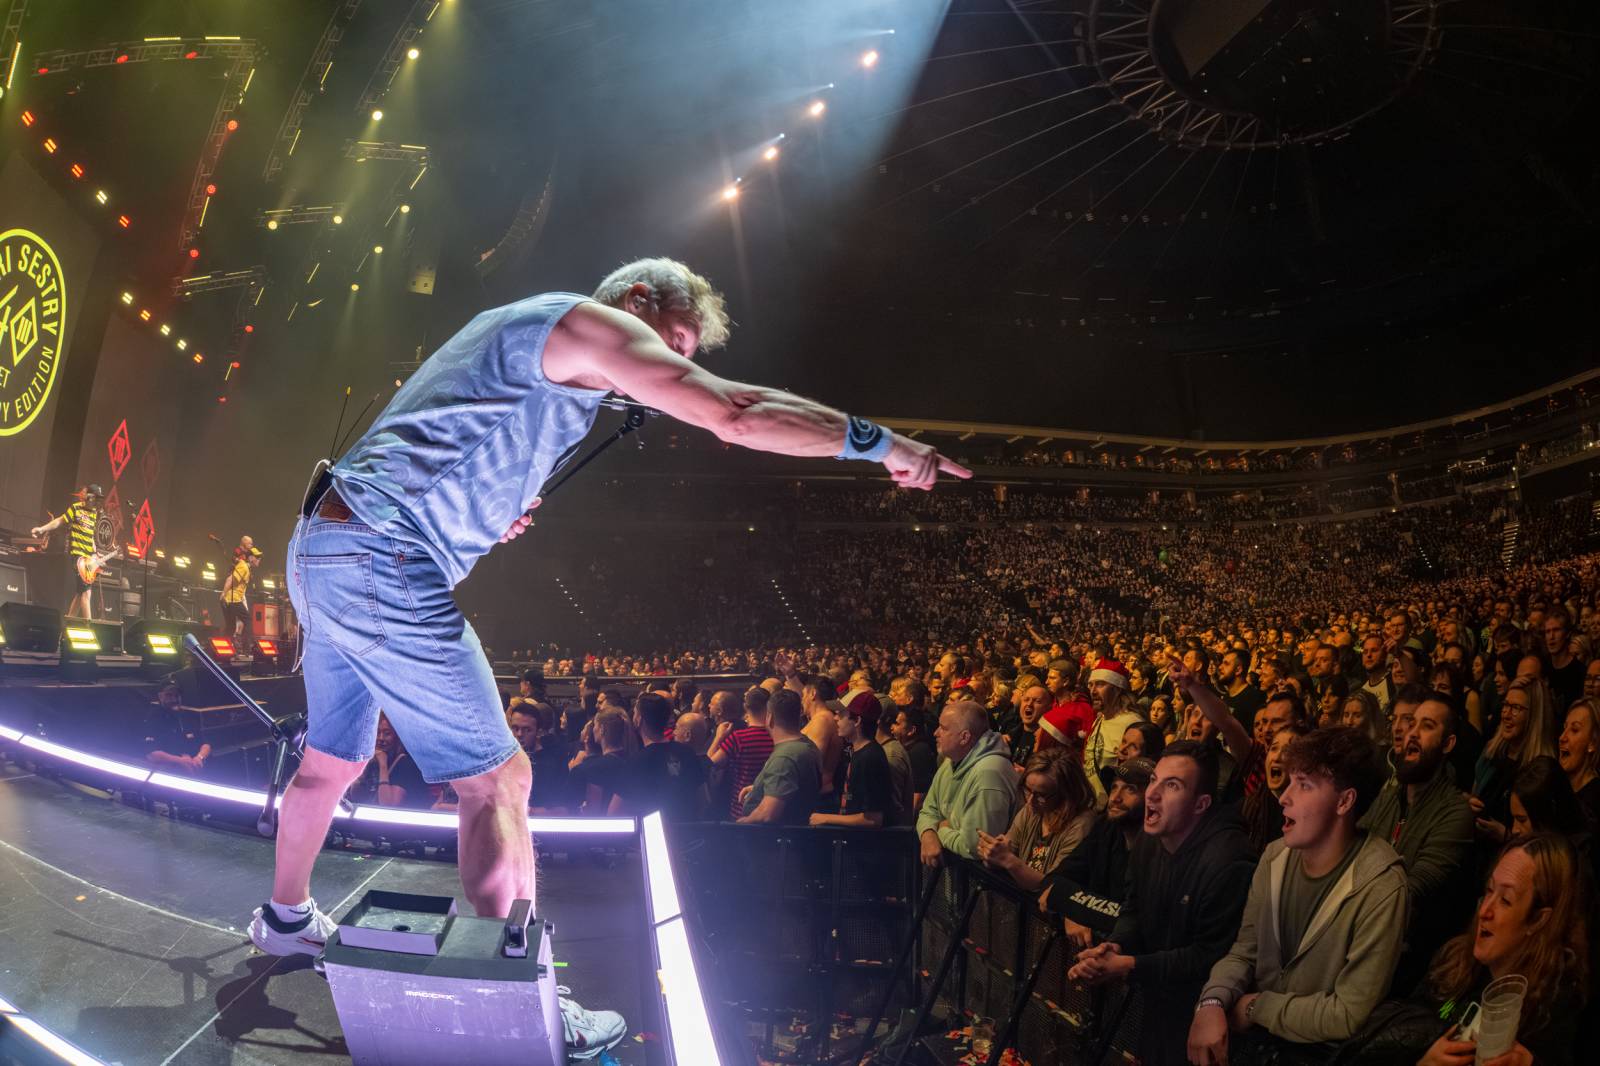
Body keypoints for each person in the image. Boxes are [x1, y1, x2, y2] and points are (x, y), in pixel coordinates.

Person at [257, 259, 968, 963]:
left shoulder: (521, 335)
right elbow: (736, 414)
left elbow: (441, 434)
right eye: (675, 344)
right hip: (383, 554)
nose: (670, 366)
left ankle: (285, 918)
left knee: (329, 762)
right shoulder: (587, 322)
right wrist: (880, 444)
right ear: (635, 300)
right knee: (499, 778)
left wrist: (491, 508)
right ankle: (506, 987)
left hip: (325, 545)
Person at [1190, 728, 1405, 1062]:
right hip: (1259, 1047)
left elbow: (1348, 1013)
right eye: (1290, 782)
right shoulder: (1275, 856)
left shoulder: (1380, 886)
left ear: (1344, 801)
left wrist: (1257, 1007)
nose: (1283, 797)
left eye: (1304, 785)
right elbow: (1244, 952)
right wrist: (1212, 1002)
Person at [1068, 740, 1256, 1066]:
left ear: (1201, 804)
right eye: (1154, 780)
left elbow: (1210, 955)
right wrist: (1115, 945)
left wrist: (1130, 965)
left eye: (1172, 786)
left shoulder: (1228, 862)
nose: (1152, 794)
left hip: (1204, 1017)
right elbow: (1134, 907)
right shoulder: (1149, 841)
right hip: (1157, 999)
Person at [1412, 835, 1588, 1066]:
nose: (1484, 910)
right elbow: (1403, 1030)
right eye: (1489, 890)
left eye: (1505, 900)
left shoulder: (1557, 1003)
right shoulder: (1452, 959)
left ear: (1538, 920)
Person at [1360, 692, 1475, 994]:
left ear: (1447, 744)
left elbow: (1416, 888)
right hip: (1364, 939)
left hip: (1409, 966)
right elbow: (1351, 849)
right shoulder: (1389, 797)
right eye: (1411, 724)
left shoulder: (1455, 811)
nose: (1411, 733)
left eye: (1426, 726)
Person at [1038, 756, 1152, 948]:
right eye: (1114, 787)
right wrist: (1071, 912)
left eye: (1130, 789)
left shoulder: (1160, 847)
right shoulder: (1105, 827)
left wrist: (1071, 904)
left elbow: (1134, 923)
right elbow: (1052, 881)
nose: (1115, 797)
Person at [976, 747, 1096, 891]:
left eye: (1041, 795)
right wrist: (991, 855)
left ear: (1067, 794)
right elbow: (1009, 850)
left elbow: (1052, 888)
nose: (1030, 801)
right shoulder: (1032, 810)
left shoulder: (1082, 824)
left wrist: (1008, 860)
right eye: (1027, 790)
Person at [915, 701, 1019, 865]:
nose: (935, 733)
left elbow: (975, 847)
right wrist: (928, 833)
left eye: (943, 728)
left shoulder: (989, 773)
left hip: (984, 885)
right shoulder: (952, 760)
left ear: (964, 737)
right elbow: (929, 810)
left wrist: (941, 830)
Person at [1472, 677, 1557, 842]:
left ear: (1534, 716)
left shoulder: (1540, 771)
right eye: (1506, 705)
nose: (1506, 714)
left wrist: (1505, 835)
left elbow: (1543, 843)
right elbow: (1474, 792)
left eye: (1516, 708)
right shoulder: (1491, 752)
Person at [611, 693, 706, 822]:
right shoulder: (688, 753)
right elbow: (703, 801)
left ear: (639, 719)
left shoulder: (636, 762)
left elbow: (614, 813)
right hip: (688, 838)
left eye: (635, 713)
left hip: (653, 838)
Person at [739, 690, 822, 825]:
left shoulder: (785, 757)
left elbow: (767, 814)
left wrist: (740, 824)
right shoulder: (807, 744)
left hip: (775, 841)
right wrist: (759, 788)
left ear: (770, 718)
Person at [811, 691, 891, 828]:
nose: (835, 718)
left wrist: (826, 818)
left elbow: (873, 819)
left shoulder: (870, 757)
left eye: (841, 714)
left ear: (857, 721)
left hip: (863, 846)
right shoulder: (859, 752)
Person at [31, 484, 104, 619]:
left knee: (80, 592)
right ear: (89, 496)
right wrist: (41, 529)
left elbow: (91, 536)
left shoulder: (95, 513)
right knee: (86, 593)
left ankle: (68, 622)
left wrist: (95, 553)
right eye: (95, 498)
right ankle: (89, 626)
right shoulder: (76, 508)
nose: (97, 501)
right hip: (78, 557)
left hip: (89, 559)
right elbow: (59, 521)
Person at [708, 687, 774, 820]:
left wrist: (718, 737)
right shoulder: (776, 735)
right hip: (771, 805)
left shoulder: (739, 737)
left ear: (746, 707)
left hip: (741, 806)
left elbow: (710, 762)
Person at [1557, 698, 1600, 827]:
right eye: (1564, 728)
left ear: (1592, 743)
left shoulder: (1595, 802)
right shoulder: (1556, 786)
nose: (1562, 737)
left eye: (1574, 730)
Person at [892, 706, 937, 812]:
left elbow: (918, 796)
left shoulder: (918, 752)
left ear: (911, 730)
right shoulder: (908, 749)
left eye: (897, 724)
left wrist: (905, 823)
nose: (891, 727)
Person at [221, 544, 261, 643]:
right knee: (248, 620)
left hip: (232, 599)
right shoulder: (243, 566)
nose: (259, 560)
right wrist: (223, 594)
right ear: (251, 558)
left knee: (231, 626)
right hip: (233, 599)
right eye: (257, 558)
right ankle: (246, 648)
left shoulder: (246, 567)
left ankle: (226, 646)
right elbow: (230, 579)